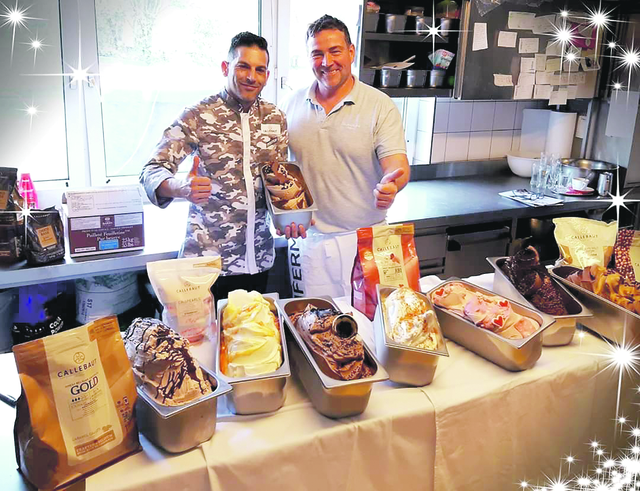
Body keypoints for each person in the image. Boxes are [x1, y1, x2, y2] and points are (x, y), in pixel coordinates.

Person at [140, 32, 306, 300]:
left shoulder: (275, 117)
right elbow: (151, 170)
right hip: (208, 264)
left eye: (260, 69)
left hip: (258, 258)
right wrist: (182, 188)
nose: (252, 76)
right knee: (209, 340)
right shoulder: (198, 115)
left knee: (252, 335)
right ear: (225, 68)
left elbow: (279, 180)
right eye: (243, 66)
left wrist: (290, 218)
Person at [281, 15, 410, 298]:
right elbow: (281, 172)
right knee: (313, 326)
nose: (327, 62)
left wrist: (391, 185)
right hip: (310, 243)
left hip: (367, 239)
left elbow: (397, 164)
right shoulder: (292, 103)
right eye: (317, 54)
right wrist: (283, 214)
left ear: (351, 51)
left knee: (372, 326)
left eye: (335, 51)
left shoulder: (379, 105)